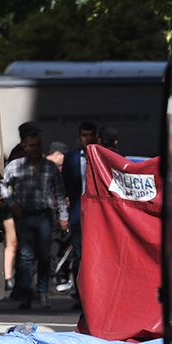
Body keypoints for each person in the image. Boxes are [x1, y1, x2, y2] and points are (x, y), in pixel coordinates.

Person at [0, 133, 69, 309]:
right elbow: (3, 185)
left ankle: (43, 293)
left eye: (38, 145)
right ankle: (25, 295)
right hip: (24, 216)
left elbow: (60, 192)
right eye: (31, 145)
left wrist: (63, 216)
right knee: (26, 256)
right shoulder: (16, 166)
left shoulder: (49, 167)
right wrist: (12, 203)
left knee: (45, 255)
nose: (35, 149)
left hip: (44, 215)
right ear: (25, 147)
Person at [0, 122, 43, 293]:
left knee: (17, 244)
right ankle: (13, 281)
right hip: (16, 207)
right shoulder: (21, 155)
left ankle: (14, 281)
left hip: (16, 205)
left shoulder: (22, 152)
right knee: (17, 243)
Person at [62, 122, 98, 307]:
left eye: (91, 135)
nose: (87, 138)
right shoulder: (71, 158)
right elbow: (65, 186)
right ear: (79, 137)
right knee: (79, 255)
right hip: (78, 212)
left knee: (97, 255)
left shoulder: (102, 157)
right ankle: (80, 294)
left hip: (99, 215)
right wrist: (64, 213)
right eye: (84, 135)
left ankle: (95, 294)